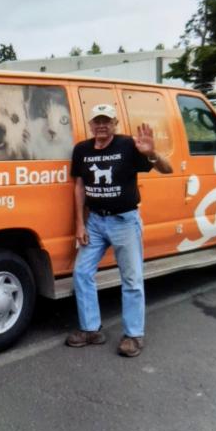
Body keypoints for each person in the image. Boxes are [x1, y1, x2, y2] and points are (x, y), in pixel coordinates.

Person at [66, 104, 173, 357]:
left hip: (124, 221)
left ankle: (134, 335)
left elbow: (168, 170)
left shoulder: (128, 145)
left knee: (132, 279)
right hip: (94, 222)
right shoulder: (81, 150)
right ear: (90, 125)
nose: (101, 125)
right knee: (81, 272)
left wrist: (152, 152)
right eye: (97, 121)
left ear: (115, 123)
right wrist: (80, 224)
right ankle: (91, 329)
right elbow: (79, 187)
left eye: (107, 121)